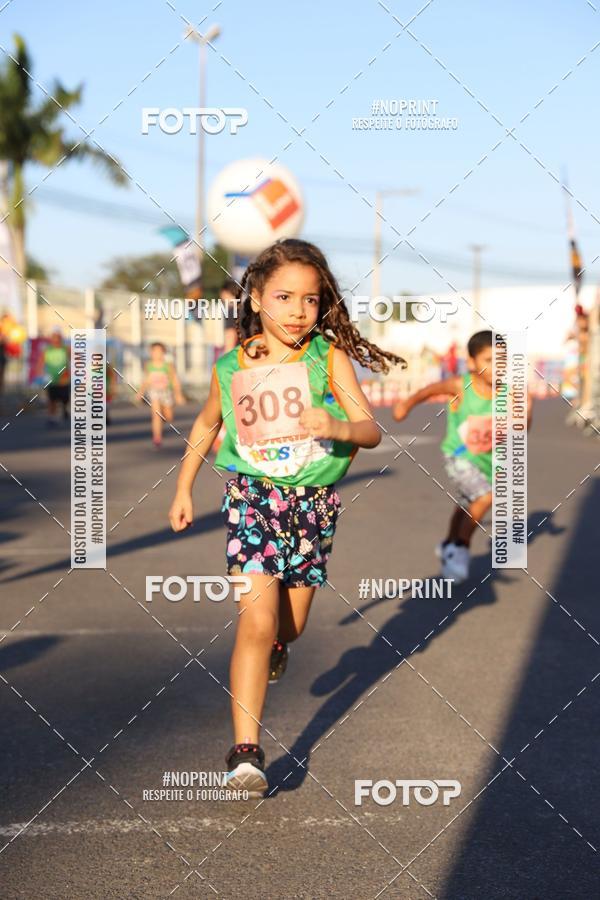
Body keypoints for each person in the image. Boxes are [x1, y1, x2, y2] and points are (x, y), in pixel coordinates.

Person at [168, 238, 404, 796]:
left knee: (287, 627)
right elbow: (206, 424)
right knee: (255, 620)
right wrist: (183, 487)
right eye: (284, 297)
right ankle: (245, 754)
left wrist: (338, 425)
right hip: (252, 500)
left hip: (312, 508)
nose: (299, 311)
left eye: (311, 300)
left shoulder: (327, 358)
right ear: (255, 296)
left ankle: (278, 646)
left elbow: (369, 429)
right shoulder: (232, 366)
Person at [393, 330, 532, 582]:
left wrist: (526, 413)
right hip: (458, 456)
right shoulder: (461, 384)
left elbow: (521, 433)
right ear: (472, 363)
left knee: (469, 503)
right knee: (486, 497)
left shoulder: (509, 394)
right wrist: (406, 405)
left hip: (488, 461)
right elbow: (430, 390)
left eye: (502, 360)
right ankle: (460, 547)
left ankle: (447, 543)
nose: (496, 367)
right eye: (489, 360)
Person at [136, 342, 184, 447]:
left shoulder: (168, 366)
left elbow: (174, 380)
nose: (157, 354)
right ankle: (157, 437)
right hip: (154, 392)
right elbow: (146, 380)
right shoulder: (149, 366)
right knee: (156, 415)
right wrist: (140, 392)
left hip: (167, 393)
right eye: (154, 352)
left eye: (159, 352)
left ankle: (160, 424)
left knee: (168, 417)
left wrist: (178, 394)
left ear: (164, 353)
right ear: (151, 353)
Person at [41, 330, 71, 426]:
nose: (55, 341)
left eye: (57, 338)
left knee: (65, 398)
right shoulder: (47, 349)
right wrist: (39, 373)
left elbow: (75, 359)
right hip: (51, 379)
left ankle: (65, 408)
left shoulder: (65, 349)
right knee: (51, 399)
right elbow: (41, 361)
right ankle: (51, 417)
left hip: (63, 379)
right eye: (53, 338)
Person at [220, 278, 240, 354]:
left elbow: (230, 338)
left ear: (225, 292)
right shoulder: (245, 309)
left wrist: (224, 363)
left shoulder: (232, 311)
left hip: (237, 357)